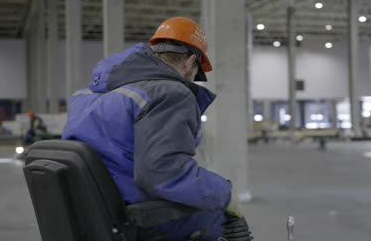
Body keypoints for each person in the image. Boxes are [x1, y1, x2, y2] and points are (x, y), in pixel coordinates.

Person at [62, 17, 252, 241]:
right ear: (190, 62)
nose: (192, 81)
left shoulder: (88, 96)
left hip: (91, 215)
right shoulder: (169, 92)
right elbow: (164, 174)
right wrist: (225, 193)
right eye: (196, 75)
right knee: (222, 218)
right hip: (135, 219)